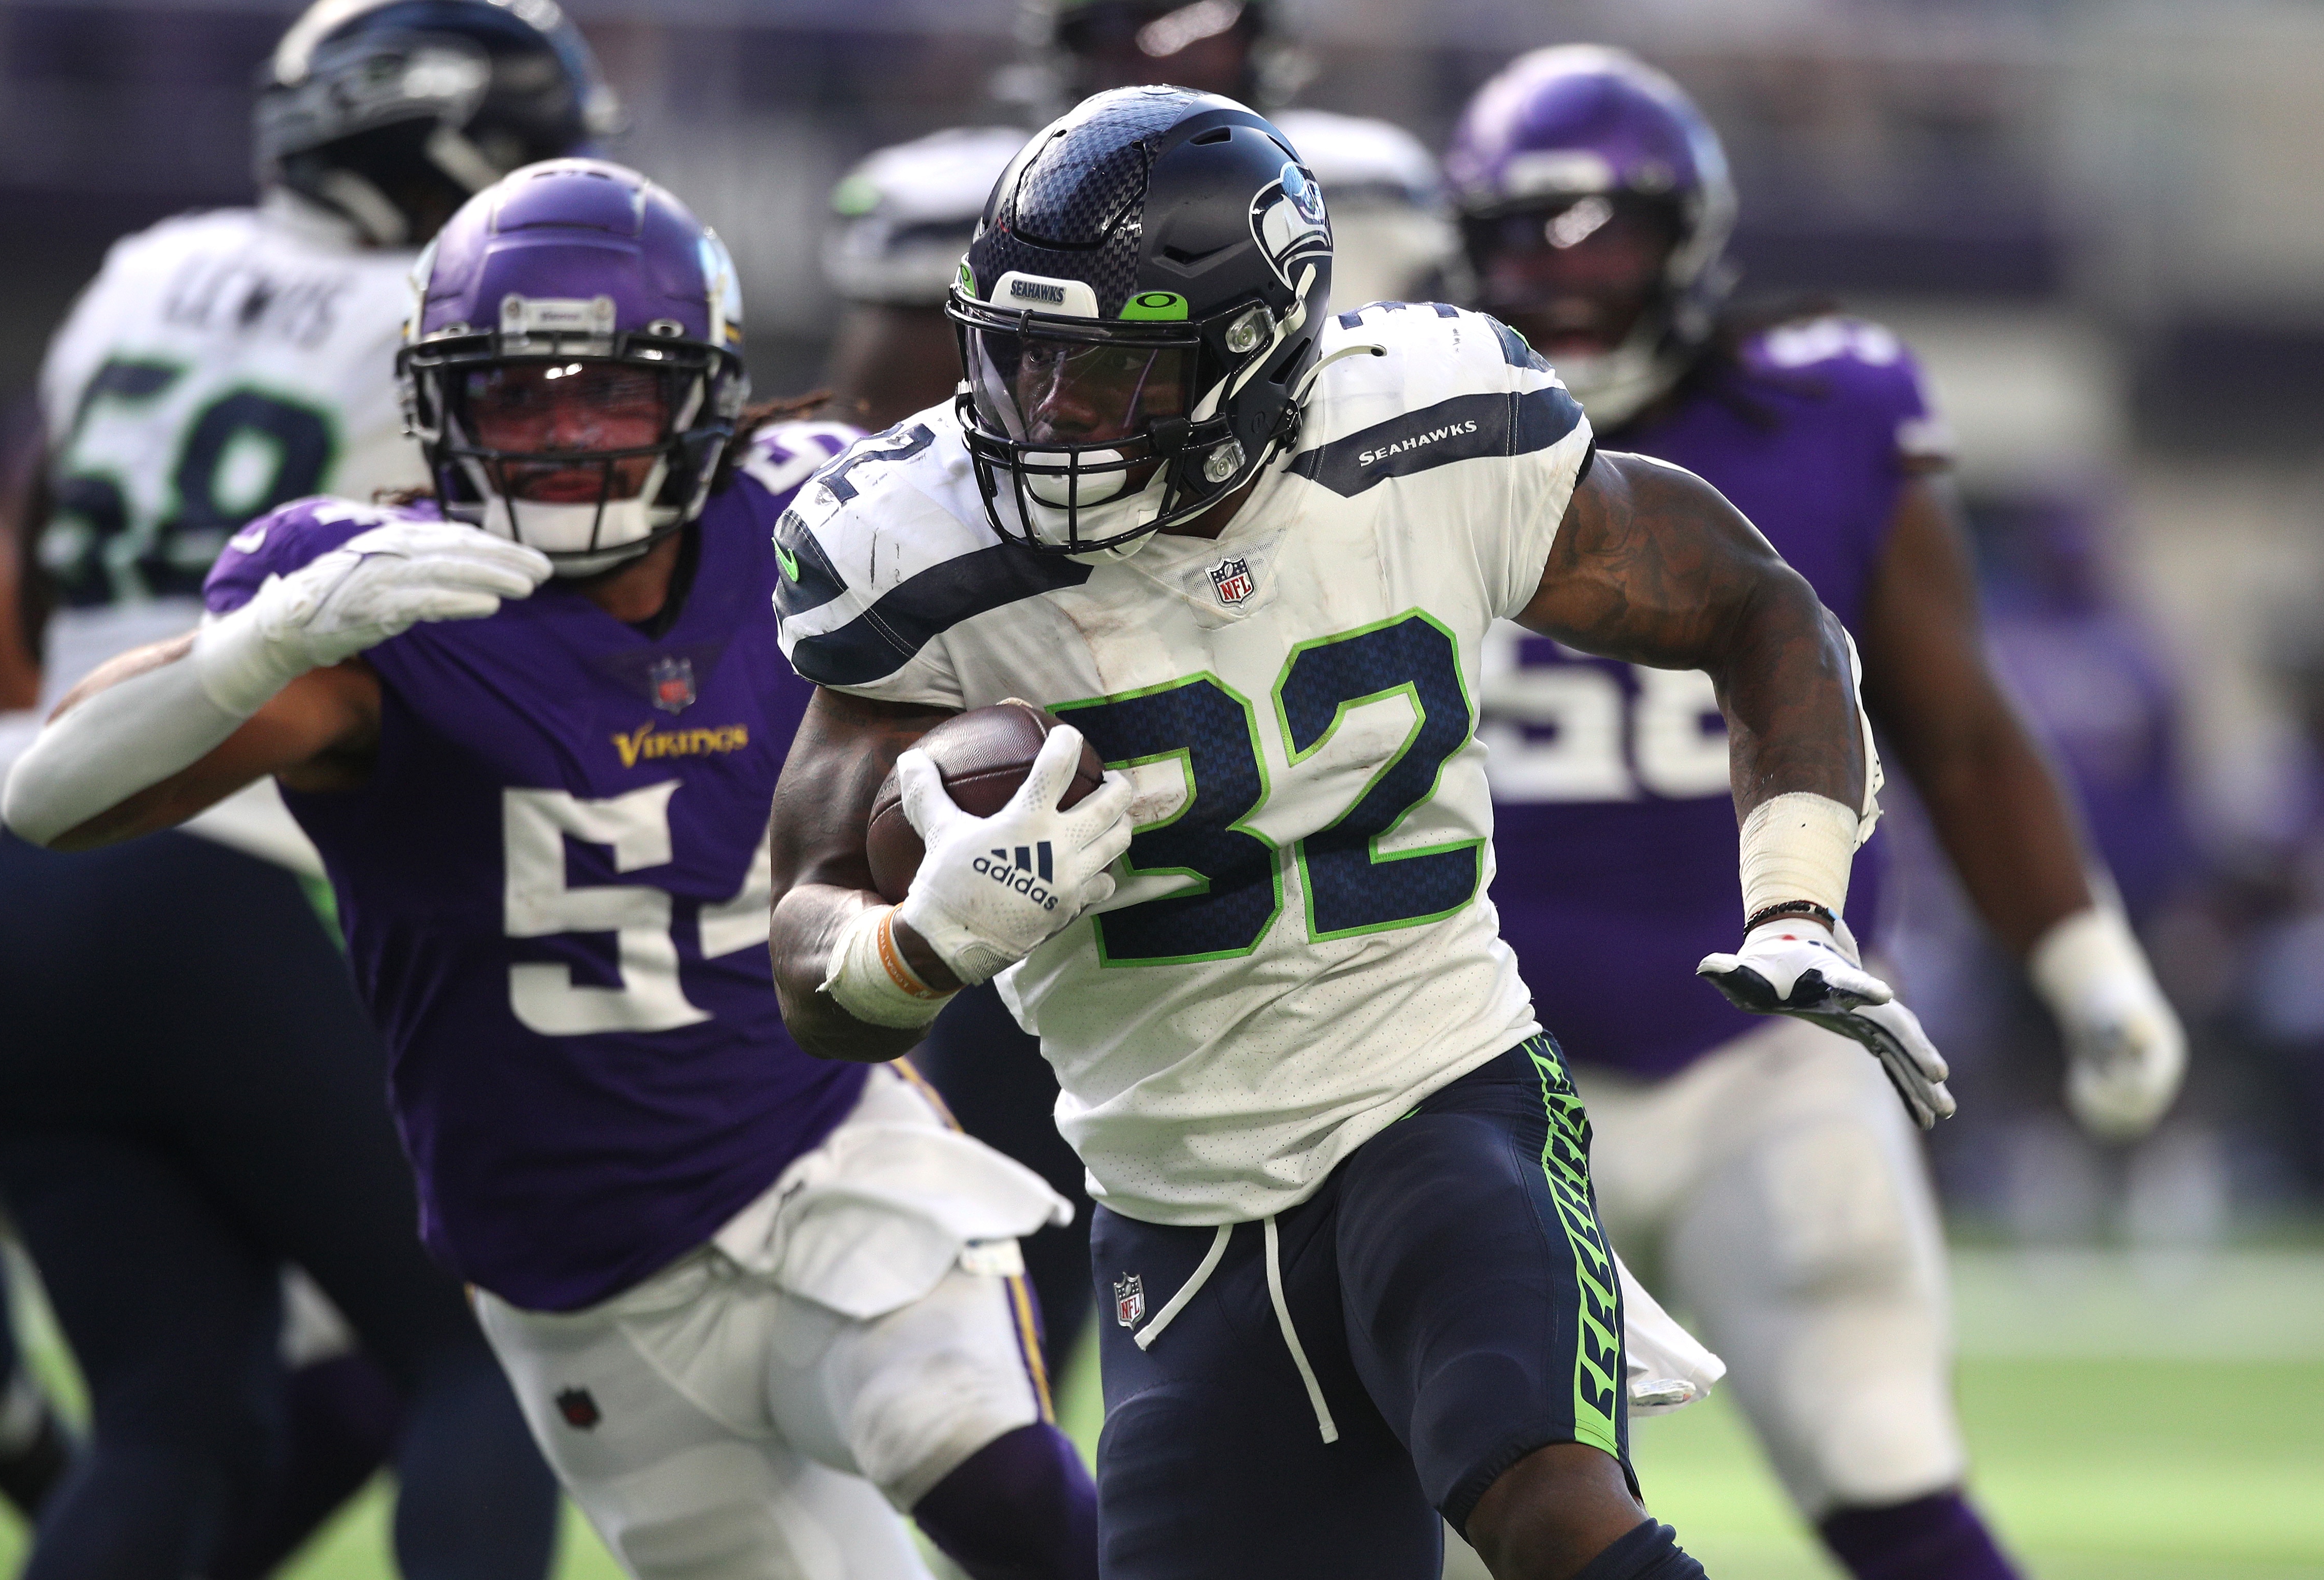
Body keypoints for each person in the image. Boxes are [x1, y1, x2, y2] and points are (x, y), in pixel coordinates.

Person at [759, 85, 1958, 1580]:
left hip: (1437, 1096)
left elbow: (1755, 604)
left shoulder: (1427, 432)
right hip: (1171, 1202)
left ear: (1252, 356)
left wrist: (1793, 900)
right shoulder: (911, 548)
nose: (1049, 415)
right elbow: (806, 953)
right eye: (1021, 356)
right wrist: (920, 940)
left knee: (1548, 1505)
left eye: (1111, 374)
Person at [3, 157, 1100, 1580]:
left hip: (825, 1156)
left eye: (614, 390)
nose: (569, 434)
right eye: (519, 394)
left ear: (701, 390)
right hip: (578, 1277)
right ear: (440, 407)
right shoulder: (379, 600)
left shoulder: (815, 522)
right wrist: (250, 648)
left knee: (1000, 1487)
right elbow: (49, 798)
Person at [1445, 46, 2187, 1580]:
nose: (1565, 281)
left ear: (1694, 240)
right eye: (1525, 237)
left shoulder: (1822, 409)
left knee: (1882, 1468)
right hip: (1460, 1069)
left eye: (1609, 237)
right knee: (1434, 1525)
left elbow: (1958, 730)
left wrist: (2084, 965)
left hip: (1761, 1056)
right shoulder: (1393, 424)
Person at [0, 2, 635, 1573]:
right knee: (491, 1350)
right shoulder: (437, 311)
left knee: (174, 1419)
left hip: (28, 850)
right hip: (225, 867)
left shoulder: (148, 265)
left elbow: (46, 498)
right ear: (450, 140)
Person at [829, 0, 1463, 1383]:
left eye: (1204, 40)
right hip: (1040, 706)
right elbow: (885, 433)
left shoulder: (1369, 202)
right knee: (1015, 1260)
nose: (1168, 69)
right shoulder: (959, 209)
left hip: (1291, 710)